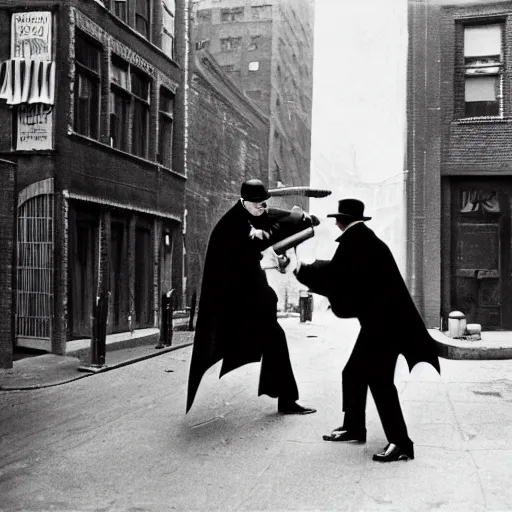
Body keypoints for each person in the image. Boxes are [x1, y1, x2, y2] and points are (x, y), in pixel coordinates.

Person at [293, 198, 440, 462]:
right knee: (353, 373)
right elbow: (340, 274)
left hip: (386, 326)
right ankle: (354, 427)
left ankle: (401, 442)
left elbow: (335, 276)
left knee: (380, 381)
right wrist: (305, 268)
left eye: (336, 218)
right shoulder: (362, 239)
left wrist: (299, 268)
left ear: (341, 220)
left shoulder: (357, 242)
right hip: (381, 322)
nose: (335, 223)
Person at [186, 178, 316, 416]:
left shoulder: (250, 213)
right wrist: (294, 221)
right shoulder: (233, 225)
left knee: (275, 339)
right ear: (244, 201)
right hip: (236, 301)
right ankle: (285, 399)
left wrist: (298, 217)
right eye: (257, 204)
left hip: (250, 297)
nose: (262, 208)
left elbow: (270, 217)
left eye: (264, 203)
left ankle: (283, 397)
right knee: (273, 338)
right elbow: (262, 239)